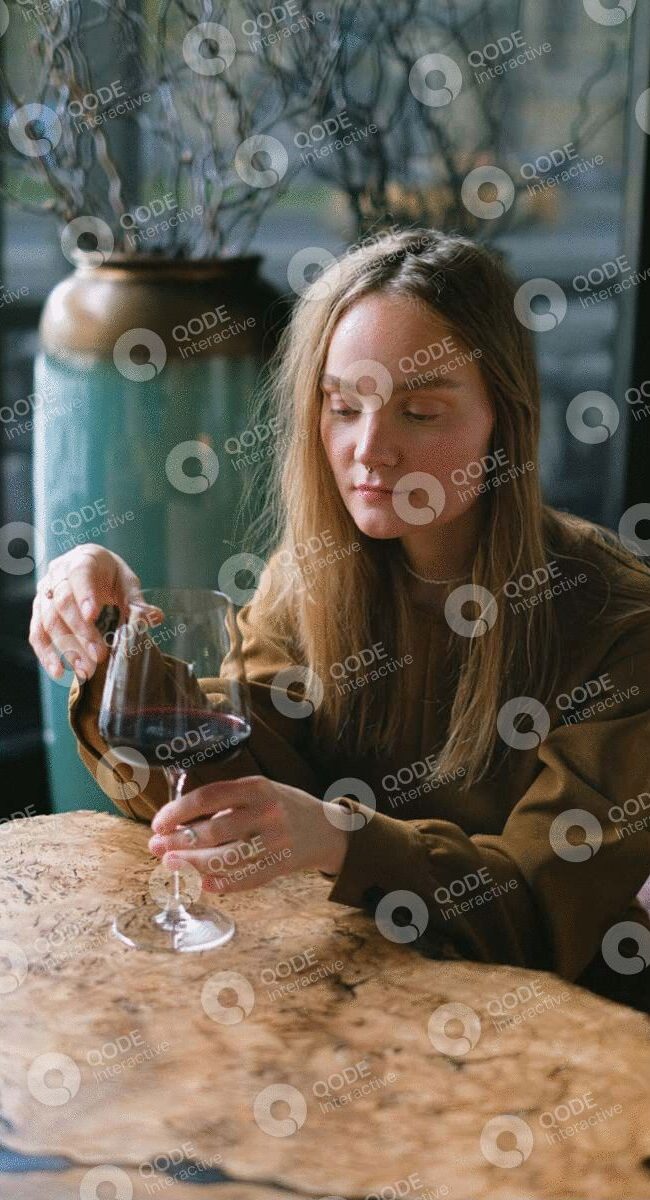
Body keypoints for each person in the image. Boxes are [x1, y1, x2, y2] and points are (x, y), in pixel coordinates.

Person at [29, 229, 650, 1012]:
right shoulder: (311, 576)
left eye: (419, 411)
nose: (369, 449)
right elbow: (229, 784)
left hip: (566, 1035)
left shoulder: (620, 624)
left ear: (506, 417)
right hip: (351, 997)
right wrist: (110, 635)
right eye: (344, 406)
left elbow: (538, 916)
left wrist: (343, 838)